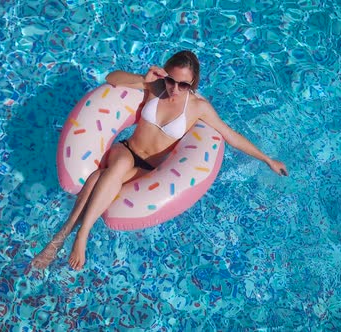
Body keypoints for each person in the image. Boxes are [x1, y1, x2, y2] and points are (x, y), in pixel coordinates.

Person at [30, 50, 288, 271]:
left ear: (193, 83)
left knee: (98, 177)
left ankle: (59, 238)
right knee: (118, 166)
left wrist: (267, 159)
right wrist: (143, 79)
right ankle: (81, 236)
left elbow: (230, 135)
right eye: (171, 80)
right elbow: (111, 79)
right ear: (165, 74)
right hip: (126, 150)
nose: (175, 89)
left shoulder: (198, 108)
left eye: (183, 84)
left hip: (146, 170)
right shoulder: (154, 87)